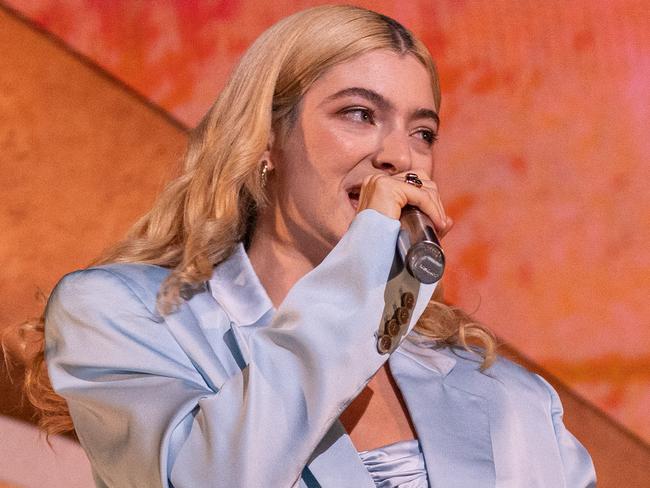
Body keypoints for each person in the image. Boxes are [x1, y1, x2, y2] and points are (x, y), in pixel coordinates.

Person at [21, 5, 596, 487]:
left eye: (422, 132)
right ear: (266, 139)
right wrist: (367, 268)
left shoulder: (510, 400)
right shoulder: (129, 315)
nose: (400, 156)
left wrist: (391, 290)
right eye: (359, 114)